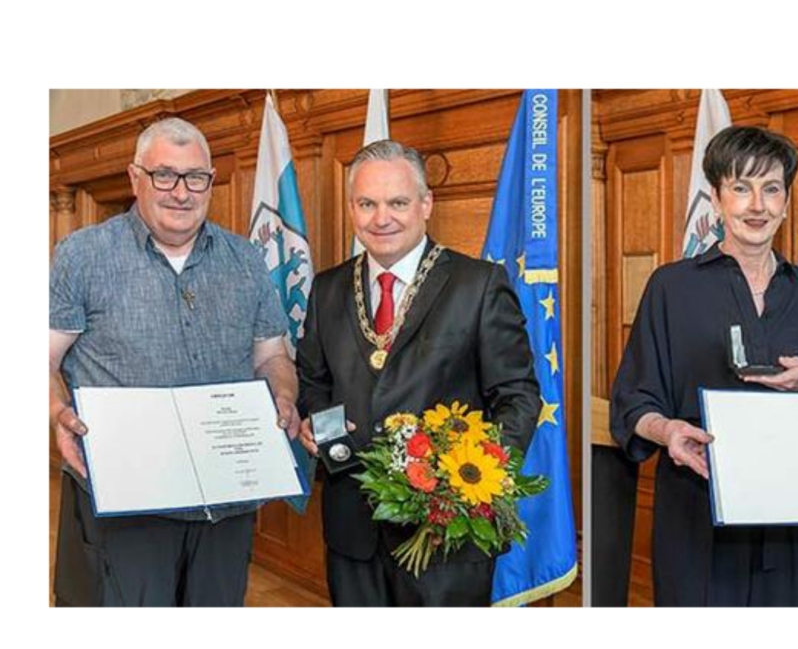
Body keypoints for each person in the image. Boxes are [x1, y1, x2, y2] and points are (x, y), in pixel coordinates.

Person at [49, 117, 300, 607]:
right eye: (164, 175)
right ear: (135, 177)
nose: (181, 192)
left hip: (227, 500)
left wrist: (285, 393)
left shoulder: (246, 260)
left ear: (211, 180)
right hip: (126, 503)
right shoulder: (83, 255)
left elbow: (271, 354)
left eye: (196, 177)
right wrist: (57, 414)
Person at [296, 139, 540, 607]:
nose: (381, 217)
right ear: (352, 208)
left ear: (426, 204)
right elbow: (313, 381)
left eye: (397, 202)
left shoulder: (479, 286)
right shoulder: (326, 289)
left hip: (446, 536)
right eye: (367, 203)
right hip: (353, 530)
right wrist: (317, 424)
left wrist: (468, 483)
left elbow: (518, 397)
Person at [609, 126, 798, 606]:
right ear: (716, 199)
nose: (757, 204)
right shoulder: (671, 288)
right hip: (696, 508)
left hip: (787, 517)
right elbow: (633, 399)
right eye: (741, 187)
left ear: (785, 200)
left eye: (771, 188)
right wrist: (667, 431)